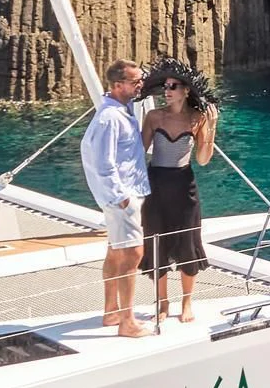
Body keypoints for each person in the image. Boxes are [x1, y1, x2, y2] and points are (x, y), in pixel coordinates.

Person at [140, 59, 217, 322]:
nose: (167, 89)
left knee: (187, 243)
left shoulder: (197, 119)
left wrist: (212, 129)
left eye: (173, 86)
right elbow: (139, 153)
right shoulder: (154, 117)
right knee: (156, 242)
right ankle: (162, 304)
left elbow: (204, 159)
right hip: (156, 185)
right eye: (165, 86)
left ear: (186, 91)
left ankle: (187, 303)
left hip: (184, 186)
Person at [79, 58, 152, 338]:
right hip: (123, 197)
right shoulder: (109, 118)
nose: (140, 86)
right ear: (118, 85)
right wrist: (122, 198)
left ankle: (111, 311)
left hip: (126, 194)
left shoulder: (122, 109)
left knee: (115, 251)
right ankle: (127, 321)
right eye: (135, 82)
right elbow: (102, 162)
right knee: (133, 254)